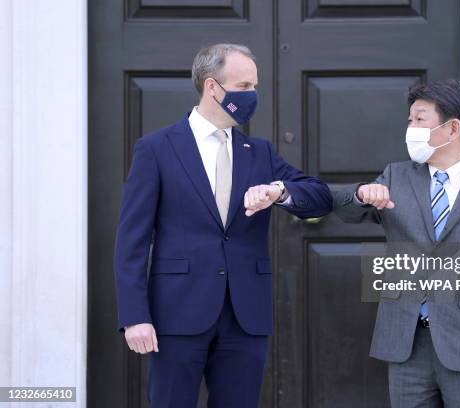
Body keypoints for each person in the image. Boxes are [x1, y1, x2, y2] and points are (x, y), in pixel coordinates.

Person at [113, 43, 332, 408]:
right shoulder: (155, 149)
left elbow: (319, 196)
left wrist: (279, 191)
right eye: (244, 87)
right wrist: (135, 316)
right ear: (212, 87)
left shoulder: (259, 152)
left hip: (245, 318)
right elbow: (131, 241)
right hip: (176, 314)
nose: (253, 95)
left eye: (254, 86)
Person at [333, 79, 460, 407]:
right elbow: (348, 209)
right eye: (409, 120)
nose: (410, 128)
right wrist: (360, 193)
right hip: (407, 342)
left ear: (452, 129)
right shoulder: (396, 177)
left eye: (420, 119)